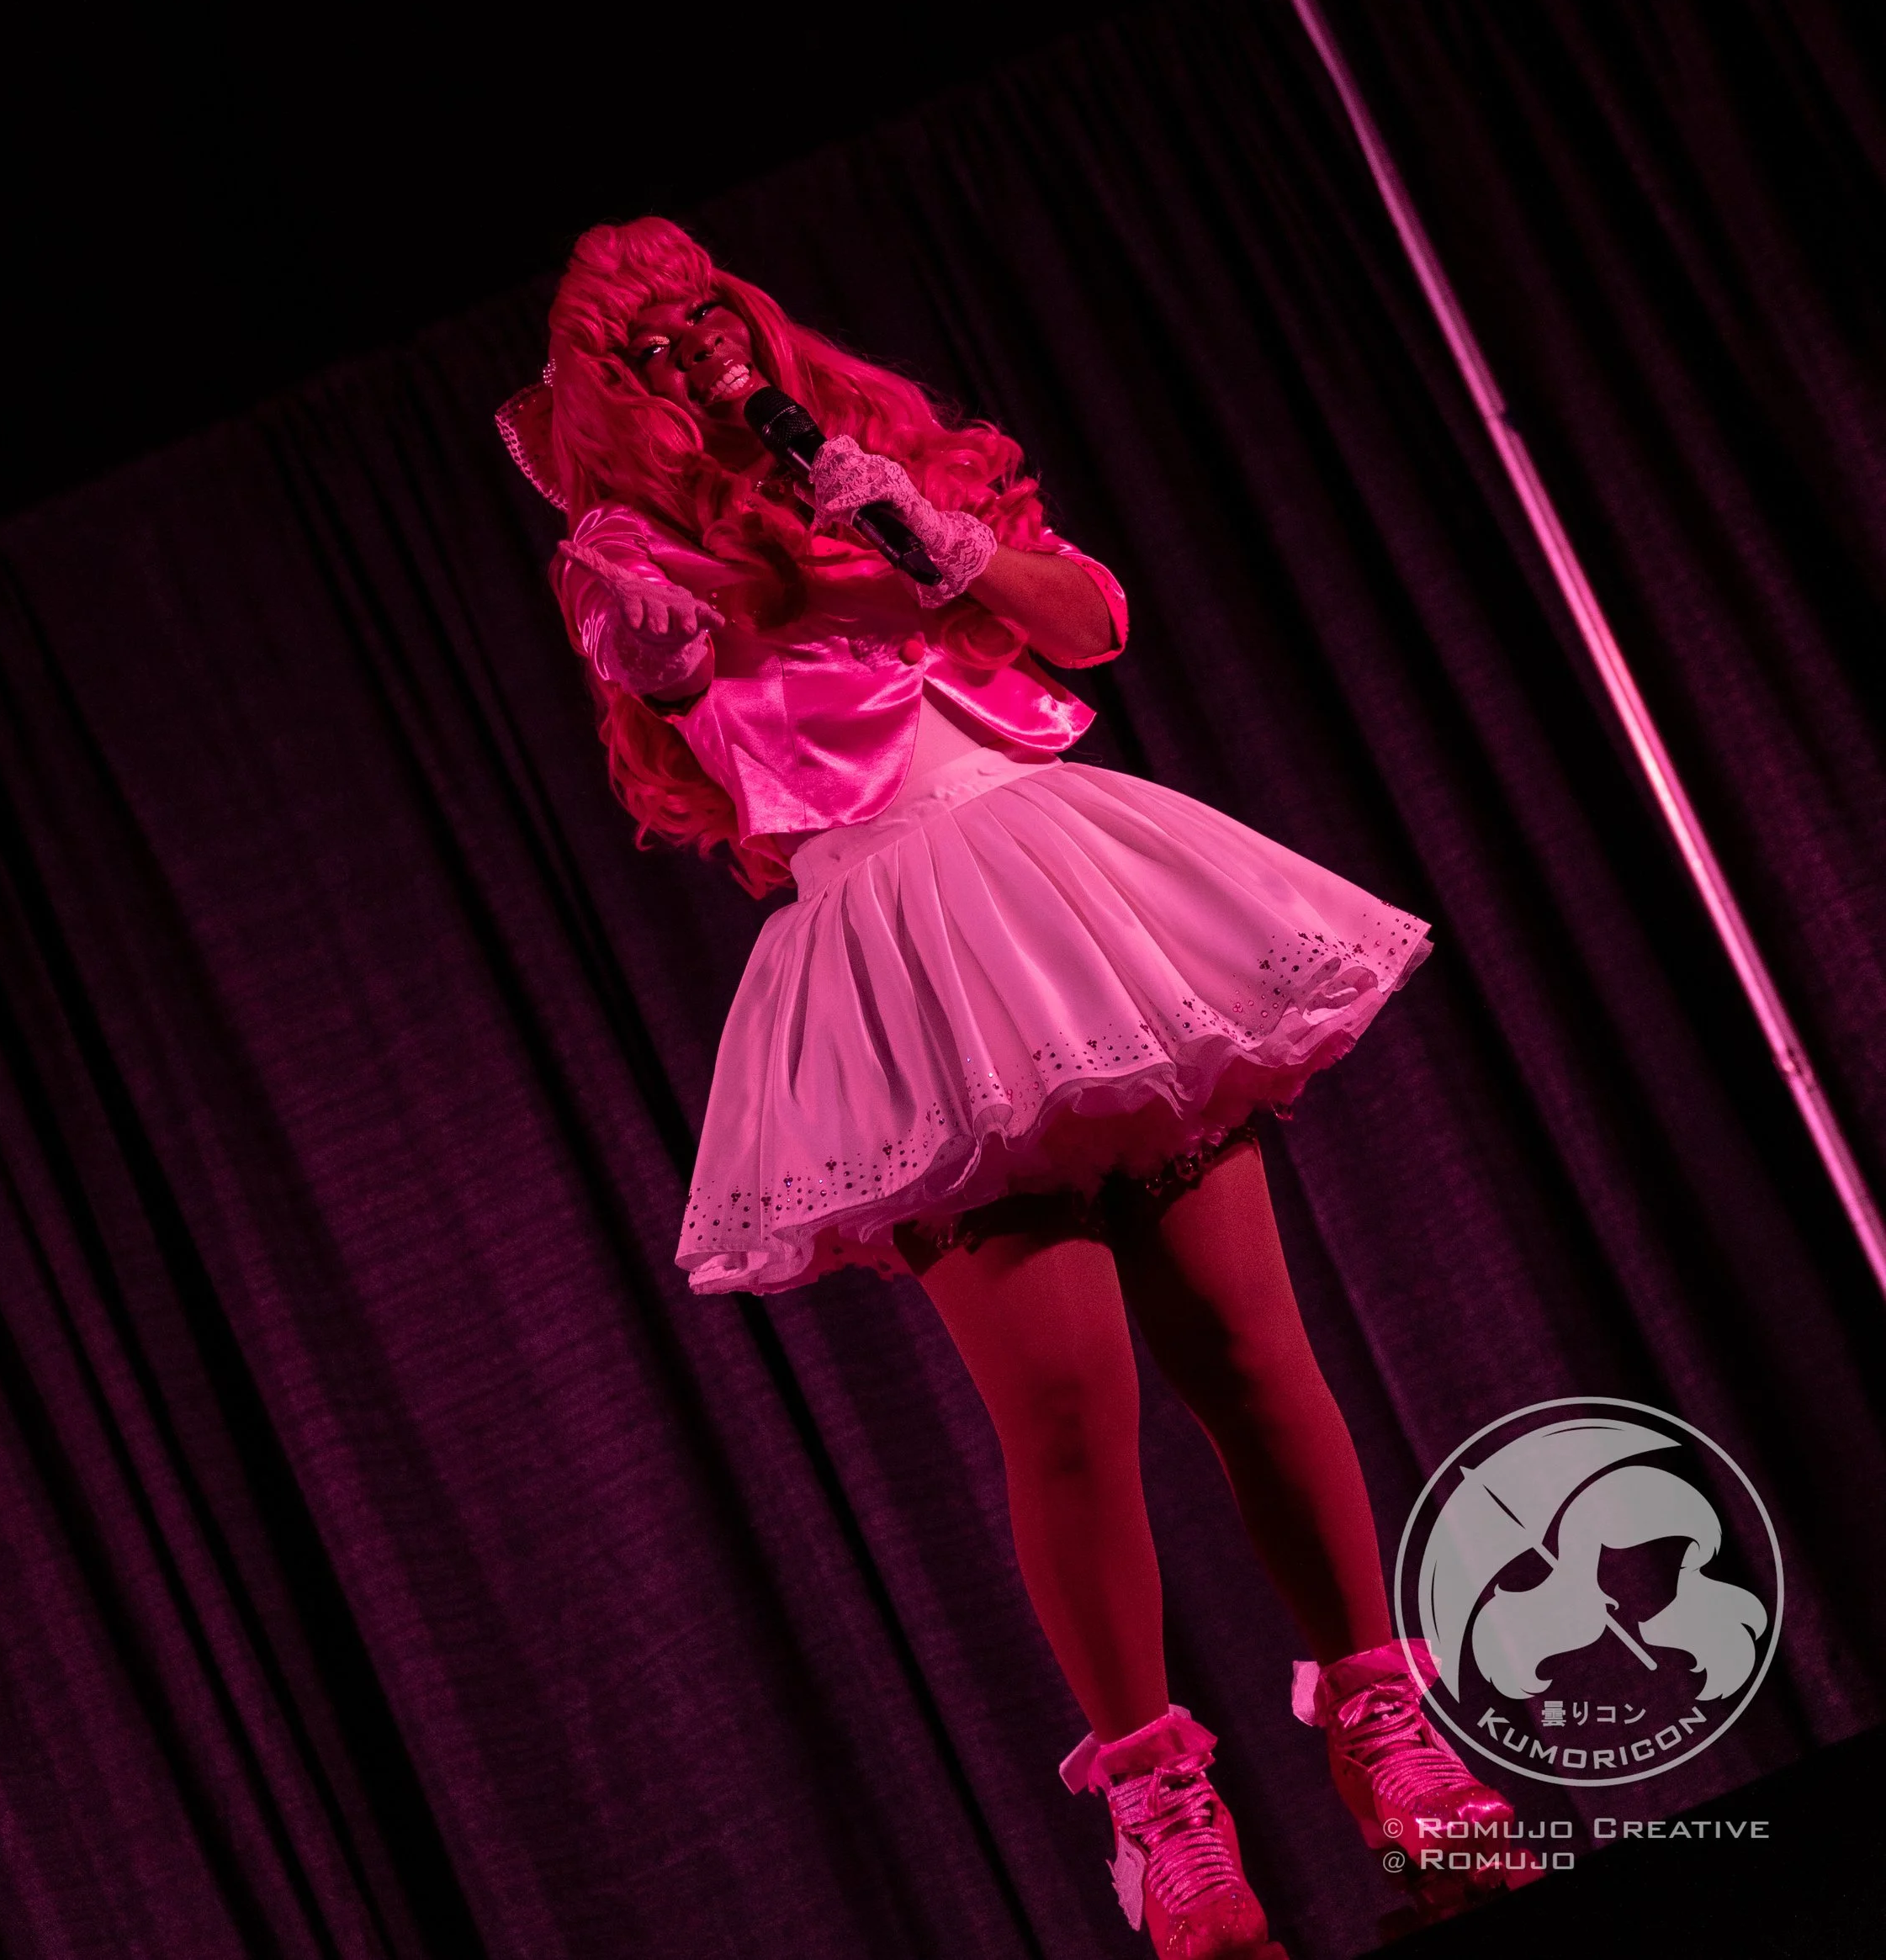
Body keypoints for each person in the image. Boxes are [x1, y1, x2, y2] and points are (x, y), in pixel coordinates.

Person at [496, 218, 1544, 1960]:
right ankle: (1161, 1819)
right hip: (896, 938)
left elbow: (1088, 623)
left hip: (1066, 897)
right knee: (1062, 1400)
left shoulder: (878, 467)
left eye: (702, 314)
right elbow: (677, 707)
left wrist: (908, 521)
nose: (690, 353)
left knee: (1240, 1343)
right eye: (645, 341)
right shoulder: (622, 544)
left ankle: (1388, 1741)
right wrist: (652, 624)